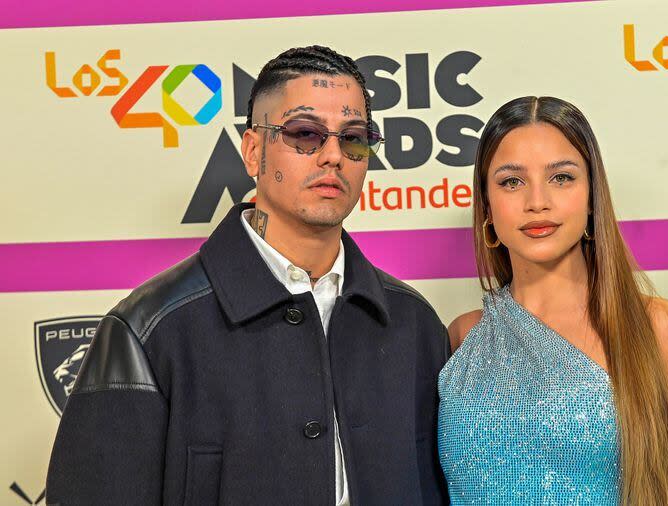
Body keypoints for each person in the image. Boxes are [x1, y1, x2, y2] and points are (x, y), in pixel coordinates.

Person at [46, 45, 449, 505]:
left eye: (353, 137)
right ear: (253, 150)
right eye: (305, 133)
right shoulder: (149, 328)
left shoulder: (412, 323)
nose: (333, 155)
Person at [438, 96, 668, 505]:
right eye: (511, 181)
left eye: (561, 178)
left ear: (591, 199)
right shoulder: (463, 336)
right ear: (487, 207)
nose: (537, 201)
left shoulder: (657, 326)